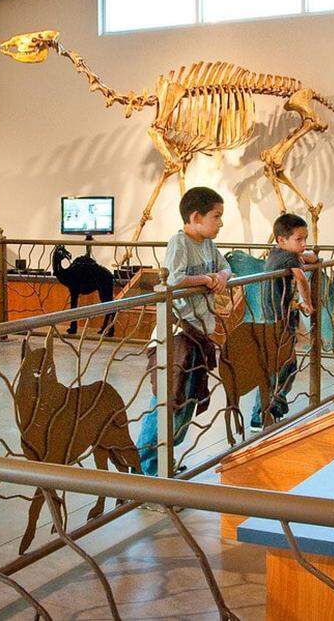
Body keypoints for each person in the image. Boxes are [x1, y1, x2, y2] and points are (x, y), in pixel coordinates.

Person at [136, 186, 232, 476]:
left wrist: (221, 276)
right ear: (195, 216)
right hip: (178, 333)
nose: (220, 222)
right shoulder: (179, 242)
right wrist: (205, 278)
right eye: (216, 216)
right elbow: (173, 279)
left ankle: (164, 462)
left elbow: (226, 267)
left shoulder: (209, 244)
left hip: (199, 333)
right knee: (169, 398)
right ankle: (146, 467)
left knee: (186, 400)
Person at [250, 213, 317, 431]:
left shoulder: (277, 252)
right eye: (299, 239)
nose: (304, 244)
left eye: (305, 239)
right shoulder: (288, 257)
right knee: (282, 366)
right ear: (281, 239)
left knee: (283, 365)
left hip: (275, 316)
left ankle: (269, 409)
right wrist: (307, 302)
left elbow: (307, 257)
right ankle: (262, 413)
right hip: (277, 319)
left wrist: (307, 255)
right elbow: (301, 279)